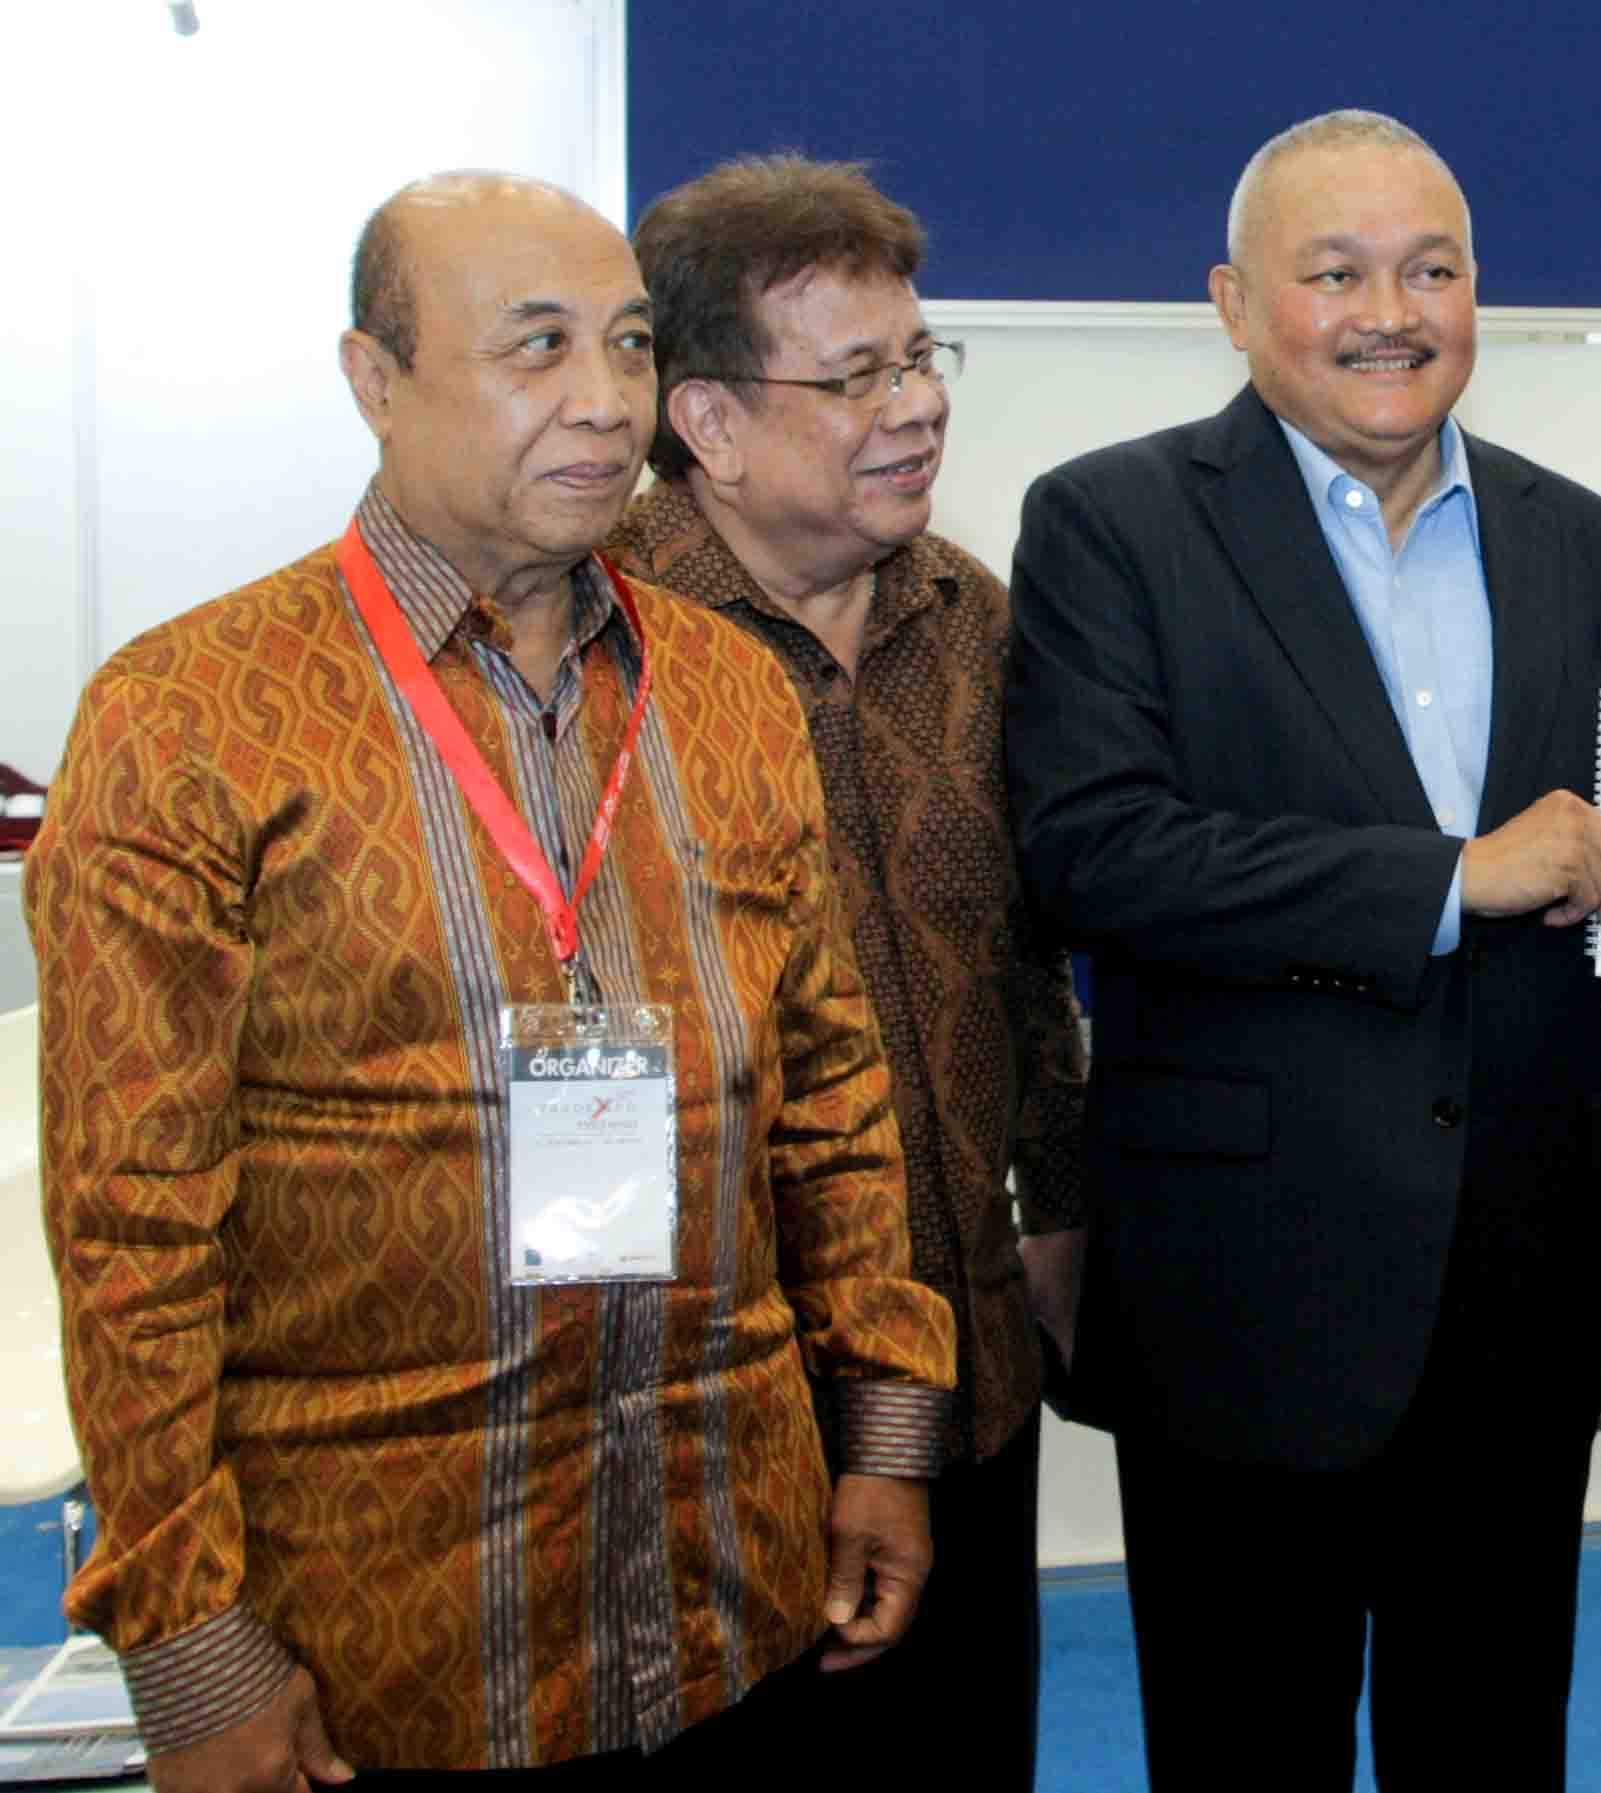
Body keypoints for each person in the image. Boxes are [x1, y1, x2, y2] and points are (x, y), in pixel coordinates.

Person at [26, 172, 956, 1789]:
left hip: (732, 1579)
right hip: (377, 1640)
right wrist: (186, 1638)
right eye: (535, 347)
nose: (603, 400)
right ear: (374, 378)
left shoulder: (727, 691)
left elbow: (831, 1098)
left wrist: (884, 1432)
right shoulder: (187, 718)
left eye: (627, 344)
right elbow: (131, 1228)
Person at [1001, 109, 1601, 1789]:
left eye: (1431, 269)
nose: (1389, 312)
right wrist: (1453, 877)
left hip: (1523, 1293)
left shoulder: (1597, 546)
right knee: (1244, 1748)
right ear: (1233, 303)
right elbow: (1095, 853)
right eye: (1334, 272)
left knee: (1496, 1744)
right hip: (1242, 1297)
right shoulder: (1110, 523)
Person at [603, 154, 1086, 1789]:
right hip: (718, 1415)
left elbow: (1025, 956)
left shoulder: (971, 616)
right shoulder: (601, 649)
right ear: (710, 423)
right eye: (858, 374)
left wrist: (1059, 1203)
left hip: (972, 1374)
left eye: (920, 356)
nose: (917, 404)